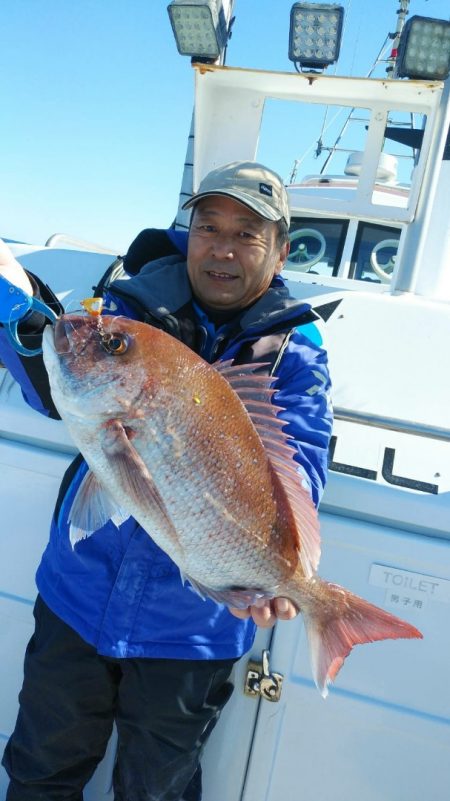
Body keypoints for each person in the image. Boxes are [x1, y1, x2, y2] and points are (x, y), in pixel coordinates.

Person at [0, 160, 333, 801]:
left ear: (281, 251)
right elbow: (56, 387)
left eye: (248, 233)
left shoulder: (295, 351)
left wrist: (288, 572)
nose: (223, 248)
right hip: (78, 594)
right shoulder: (126, 311)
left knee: (158, 790)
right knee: (40, 770)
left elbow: (302, 459)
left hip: (197, 627)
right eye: (208, 227)